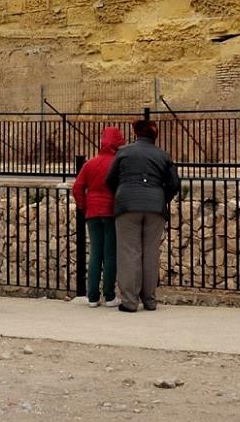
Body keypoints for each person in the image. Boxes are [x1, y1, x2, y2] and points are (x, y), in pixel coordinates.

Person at [105, 118, 178, 313]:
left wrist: (123, 192)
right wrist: (161, 197)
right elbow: (174, 184)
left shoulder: (124, 152)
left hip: (127, 205)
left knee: (129, 252)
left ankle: (129, 301)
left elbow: (110, 179)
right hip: (155, 206)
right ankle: (150, 300)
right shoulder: (163, 155)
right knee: (150, 253)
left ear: (136, 133)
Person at [71, 126, 123, 307]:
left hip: (92, 211)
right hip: (110, 211)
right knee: (110, 253)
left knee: (95, 253)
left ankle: (92, 296)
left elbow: (77, 188)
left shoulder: (90, 163)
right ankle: (109, 295)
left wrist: (84, 206)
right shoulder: (117, 163)